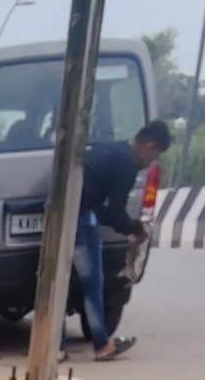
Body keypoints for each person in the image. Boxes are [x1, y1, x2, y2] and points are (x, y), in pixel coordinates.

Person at [73, 119, 171, 360]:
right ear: (149, 145)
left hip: (65, 211)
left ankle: (56, 346)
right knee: (92, 281)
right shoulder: (127, 163)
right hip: (81, 216)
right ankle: (102, 345)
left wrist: (126, 227)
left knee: (61, 280)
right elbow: (115, 210)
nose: (150, 163)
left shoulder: (112, 149)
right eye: (154, 155)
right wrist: (134, 229)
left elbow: (105, 210)